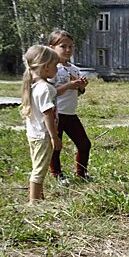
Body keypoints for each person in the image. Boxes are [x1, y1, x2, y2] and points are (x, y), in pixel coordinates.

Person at [47, 30, 91, 184]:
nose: (68, 50)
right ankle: (57, 175)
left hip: (70, 114)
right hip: (55, 114)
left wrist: (81, 87)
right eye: (63, 46)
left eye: (71, 47)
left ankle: (81, 173)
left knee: (84, 144)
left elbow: (77, 93)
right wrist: (69, 85)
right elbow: (49, 93)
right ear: (52, 47)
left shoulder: (74, 68)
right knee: (56, 146)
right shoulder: (50, 69)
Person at [20, 45, 61, 203]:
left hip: (33, 134)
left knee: (38, 166)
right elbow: (48, 115)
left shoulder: (34, 86)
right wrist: (54, 137)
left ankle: (39, 196)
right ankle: (34, 202)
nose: (57, 69)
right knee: (39, 170)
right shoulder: (45, 88)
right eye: (55, 65)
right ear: (46, 67)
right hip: (43, 136)